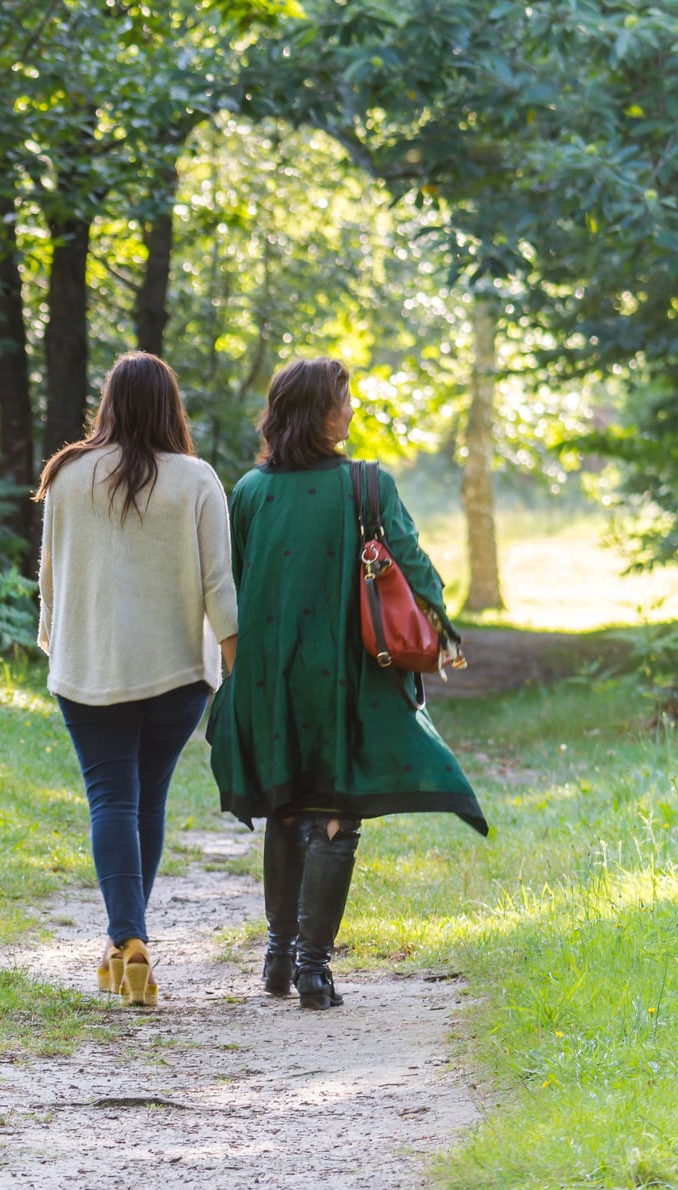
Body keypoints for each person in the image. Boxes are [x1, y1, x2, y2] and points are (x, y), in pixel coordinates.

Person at [209, 357, 487, 1011]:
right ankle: (311, 969)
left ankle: (277, 959)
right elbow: (411, 558)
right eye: (345, 399)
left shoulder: (248, 490)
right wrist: (442, 628)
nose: (353, 409)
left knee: (286, 802)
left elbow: (234, 582)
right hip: (341, 676)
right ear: (320, 412)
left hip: (269, 679)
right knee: (334, 814)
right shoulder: (367, 484)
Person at [38, 351, 238, 1008]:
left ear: (110, 404)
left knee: (112, 803)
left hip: (89, 669)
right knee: (145, 803)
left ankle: (127, 940)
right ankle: (127, 945)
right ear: (170, 406)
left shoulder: (66, 475)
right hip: (176, 674)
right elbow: (218, 585)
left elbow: (51, 579)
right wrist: (236, 669)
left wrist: (56, 648)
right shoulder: (197, 479)